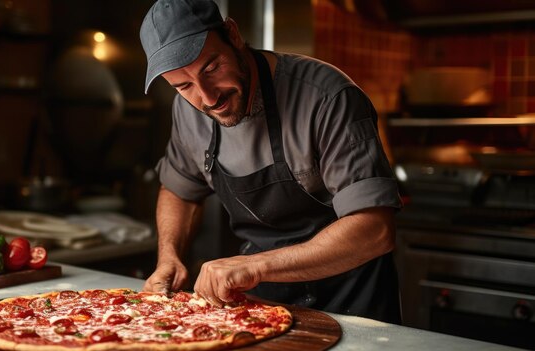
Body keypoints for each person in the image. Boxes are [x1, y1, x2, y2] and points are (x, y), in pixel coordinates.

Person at [139, 0, 402, 324]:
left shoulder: (328, 97)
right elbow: (180, 189)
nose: (207, 98)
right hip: (262, 305)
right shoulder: (188, 111)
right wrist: (170, 256)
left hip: (354, 304)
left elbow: (375, 229)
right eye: (184, 85)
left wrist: (254, 266)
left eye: (211, 68)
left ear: (233, 34)